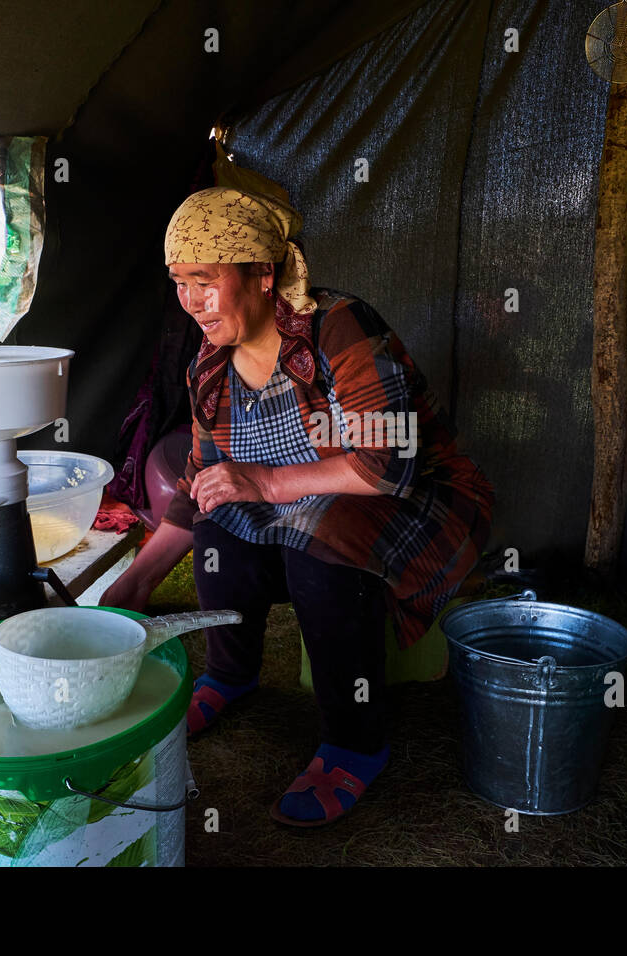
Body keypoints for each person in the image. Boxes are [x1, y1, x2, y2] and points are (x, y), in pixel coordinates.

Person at [104, 185, 493, 826]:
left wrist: (264, 484)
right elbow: (202, 485)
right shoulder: (209, 365)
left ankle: (354, 741)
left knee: (318, 534)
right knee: (219, 523)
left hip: (423, 497)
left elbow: (387, 464)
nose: (190, 300)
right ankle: (230, 675)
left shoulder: (340, 325)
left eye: (205, 279)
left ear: (262, 273)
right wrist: (138, 579)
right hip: (306, 505)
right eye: (179, 282)